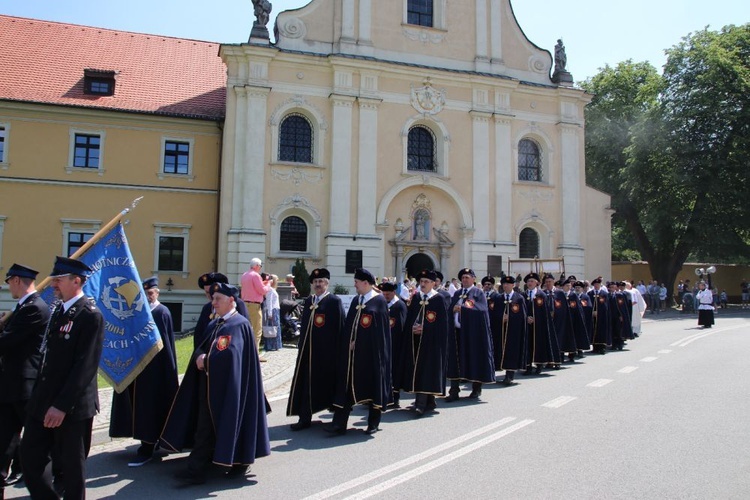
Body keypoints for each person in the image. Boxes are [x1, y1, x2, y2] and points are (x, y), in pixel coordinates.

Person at [162, 283, 270, 485]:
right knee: (205, 427)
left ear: (231, 300)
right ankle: (199, 467)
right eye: (213, 299)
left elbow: (231, 355)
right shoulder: (216, 324)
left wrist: (207, 359)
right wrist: (199, 356)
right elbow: (202, 347)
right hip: (209, 386)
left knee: (224, 424)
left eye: (218, 299)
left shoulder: (238, 324)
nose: (214, 303)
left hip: (229, 389)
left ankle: (217, 466)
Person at [21, 256, 104, 500]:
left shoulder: (90, 316)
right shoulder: (58, 311)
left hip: (71, 407)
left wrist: (61, 406)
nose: (53, 284)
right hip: (43, 400)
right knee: (30, 459)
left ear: (76, 281)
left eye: (59, 280)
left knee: (71, 469)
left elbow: (84, 367)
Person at [109, 276, 178, 467]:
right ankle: (145, 441)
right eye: (144, 293)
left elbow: (166, 346)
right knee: (138, 408)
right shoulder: (136, 312)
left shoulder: (161, 312)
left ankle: (147, 447)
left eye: (150, 293)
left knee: (150, 409)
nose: (147, 296)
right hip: (137, 369)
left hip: (155, 371)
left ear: (157, 292)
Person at [0, 264, 50, 496]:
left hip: (24, 385)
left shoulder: (34, 308)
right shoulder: (23, 307)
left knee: (34, 446)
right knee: (6, 440)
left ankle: (44, 489)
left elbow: (7, 342)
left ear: (17, 280)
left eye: (9, 280)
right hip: (11, 385)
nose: (7, 284)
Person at [326, 268, 390, 436]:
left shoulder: (379, 302)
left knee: (372, 386)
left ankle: (373, 423)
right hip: (351, 356)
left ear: (366, 283)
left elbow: (380, 333)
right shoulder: (356, 300)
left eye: (356, 282)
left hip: (370, 355)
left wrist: (359, 343)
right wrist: (347, 343)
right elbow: (349, 326)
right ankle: (339, 424)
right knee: (345, 386)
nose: (354, 285)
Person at [286, 268, 345, 431]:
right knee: (305, 384)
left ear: (327, 283)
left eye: (321, 281)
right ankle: (304, 418)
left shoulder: (334, 301)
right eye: (315, 282)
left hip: (327, 354)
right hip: (307, 352)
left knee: (329, 384)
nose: (318, 284)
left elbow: (340, 327)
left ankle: (336, 418)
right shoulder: (309, 301)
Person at [396, 269, 449, 416]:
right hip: (415, 341)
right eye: (422, 281)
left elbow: (442, 324)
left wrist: (425, 328)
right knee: (418, 370)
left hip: (431, 343)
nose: (423, 284)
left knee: (427, 370)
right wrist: (412, 328)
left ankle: (420, 404)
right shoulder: (416, 297)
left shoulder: (438, 299)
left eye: (426, 282)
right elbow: (410, 318)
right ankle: (429, 401)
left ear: (433, 283)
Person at [446, 268, 495, 401]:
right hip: (457, 333)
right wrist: (453, 310)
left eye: (467, 277)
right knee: (455, 361)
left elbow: (481, 310)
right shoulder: (457, 293)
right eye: (463, 278)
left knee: (474, 358)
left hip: (472, 333)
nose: (465, 280)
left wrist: (462, 309)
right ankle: (454, 390)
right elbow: (450, 308)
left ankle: (476, 388)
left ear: (473, 279)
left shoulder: (478, 293)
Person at [194, 272, 249, 349]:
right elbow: (199, 334)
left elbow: (244, 331)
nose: (210, 296)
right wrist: (198, 354)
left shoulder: (237, 304)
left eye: (211, 292)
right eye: (206, 292)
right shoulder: (207, 308)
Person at [490, 276, 527, 386]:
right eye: (504, 284)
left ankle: (509, 375)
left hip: (513, 331)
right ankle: (498, 370)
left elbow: (522, 316)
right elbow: (493, 314)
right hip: (500, 331)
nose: (505, 285)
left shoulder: (518, 298)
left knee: (512, 352)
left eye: (508, 284)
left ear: (513, 285)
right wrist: (501, 317)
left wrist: (510, 318)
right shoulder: (498, 298)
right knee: (499, 351)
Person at [378, 281, 407, 408]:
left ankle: (395, 398)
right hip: (382, 343)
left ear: (394, 293)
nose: (385, 296)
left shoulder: (399, 305)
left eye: (388, 294)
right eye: (383, 293)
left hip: (396, 344)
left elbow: (402, 325)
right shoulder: (381, 304)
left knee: (395, 371)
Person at [523, 273, 558, 374]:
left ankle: (539, 365)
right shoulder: (523, 295)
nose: (530, 283)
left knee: (539, 344)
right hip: (527, 325)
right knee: (527, 345)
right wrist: (526, 318)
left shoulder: (541, 295)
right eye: (528, 281)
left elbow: (545, 312)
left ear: (537, 283)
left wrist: (536, 319)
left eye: (532, 281)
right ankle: (528, 366)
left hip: (539, 326)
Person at [241, 257, 271, 354]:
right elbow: (262, 290)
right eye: (260, 266)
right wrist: (269, 284)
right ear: (257, 266)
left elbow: (252, 287)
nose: (260, 268)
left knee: (246, 329)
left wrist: (263, 283)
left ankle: (246, 351)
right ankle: (255, 354)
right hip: (254, 305)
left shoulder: (245, 275)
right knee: (257, 330)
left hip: (245, 304)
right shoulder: (256, 275)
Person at [588, 277, 611, 354]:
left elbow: (606, 306)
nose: (596, 286)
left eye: (598, 284)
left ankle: (602, 347)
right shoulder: (590, 294)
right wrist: (592, 312)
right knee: (594, 331)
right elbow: (588, 305)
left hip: (602, 317)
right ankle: (595, 347)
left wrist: (599, 312)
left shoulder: (604, 294)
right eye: (595, 284)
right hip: (592, 317)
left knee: (601, 331)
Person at [263, 274, 282, 351]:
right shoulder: (270, 290)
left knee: (275, 328)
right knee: (272, 328)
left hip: (275, 309)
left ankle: (275, 345)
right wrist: (270, 313)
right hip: (273, 310)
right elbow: (269, 302)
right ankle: (271, 345)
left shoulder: (272, 289)